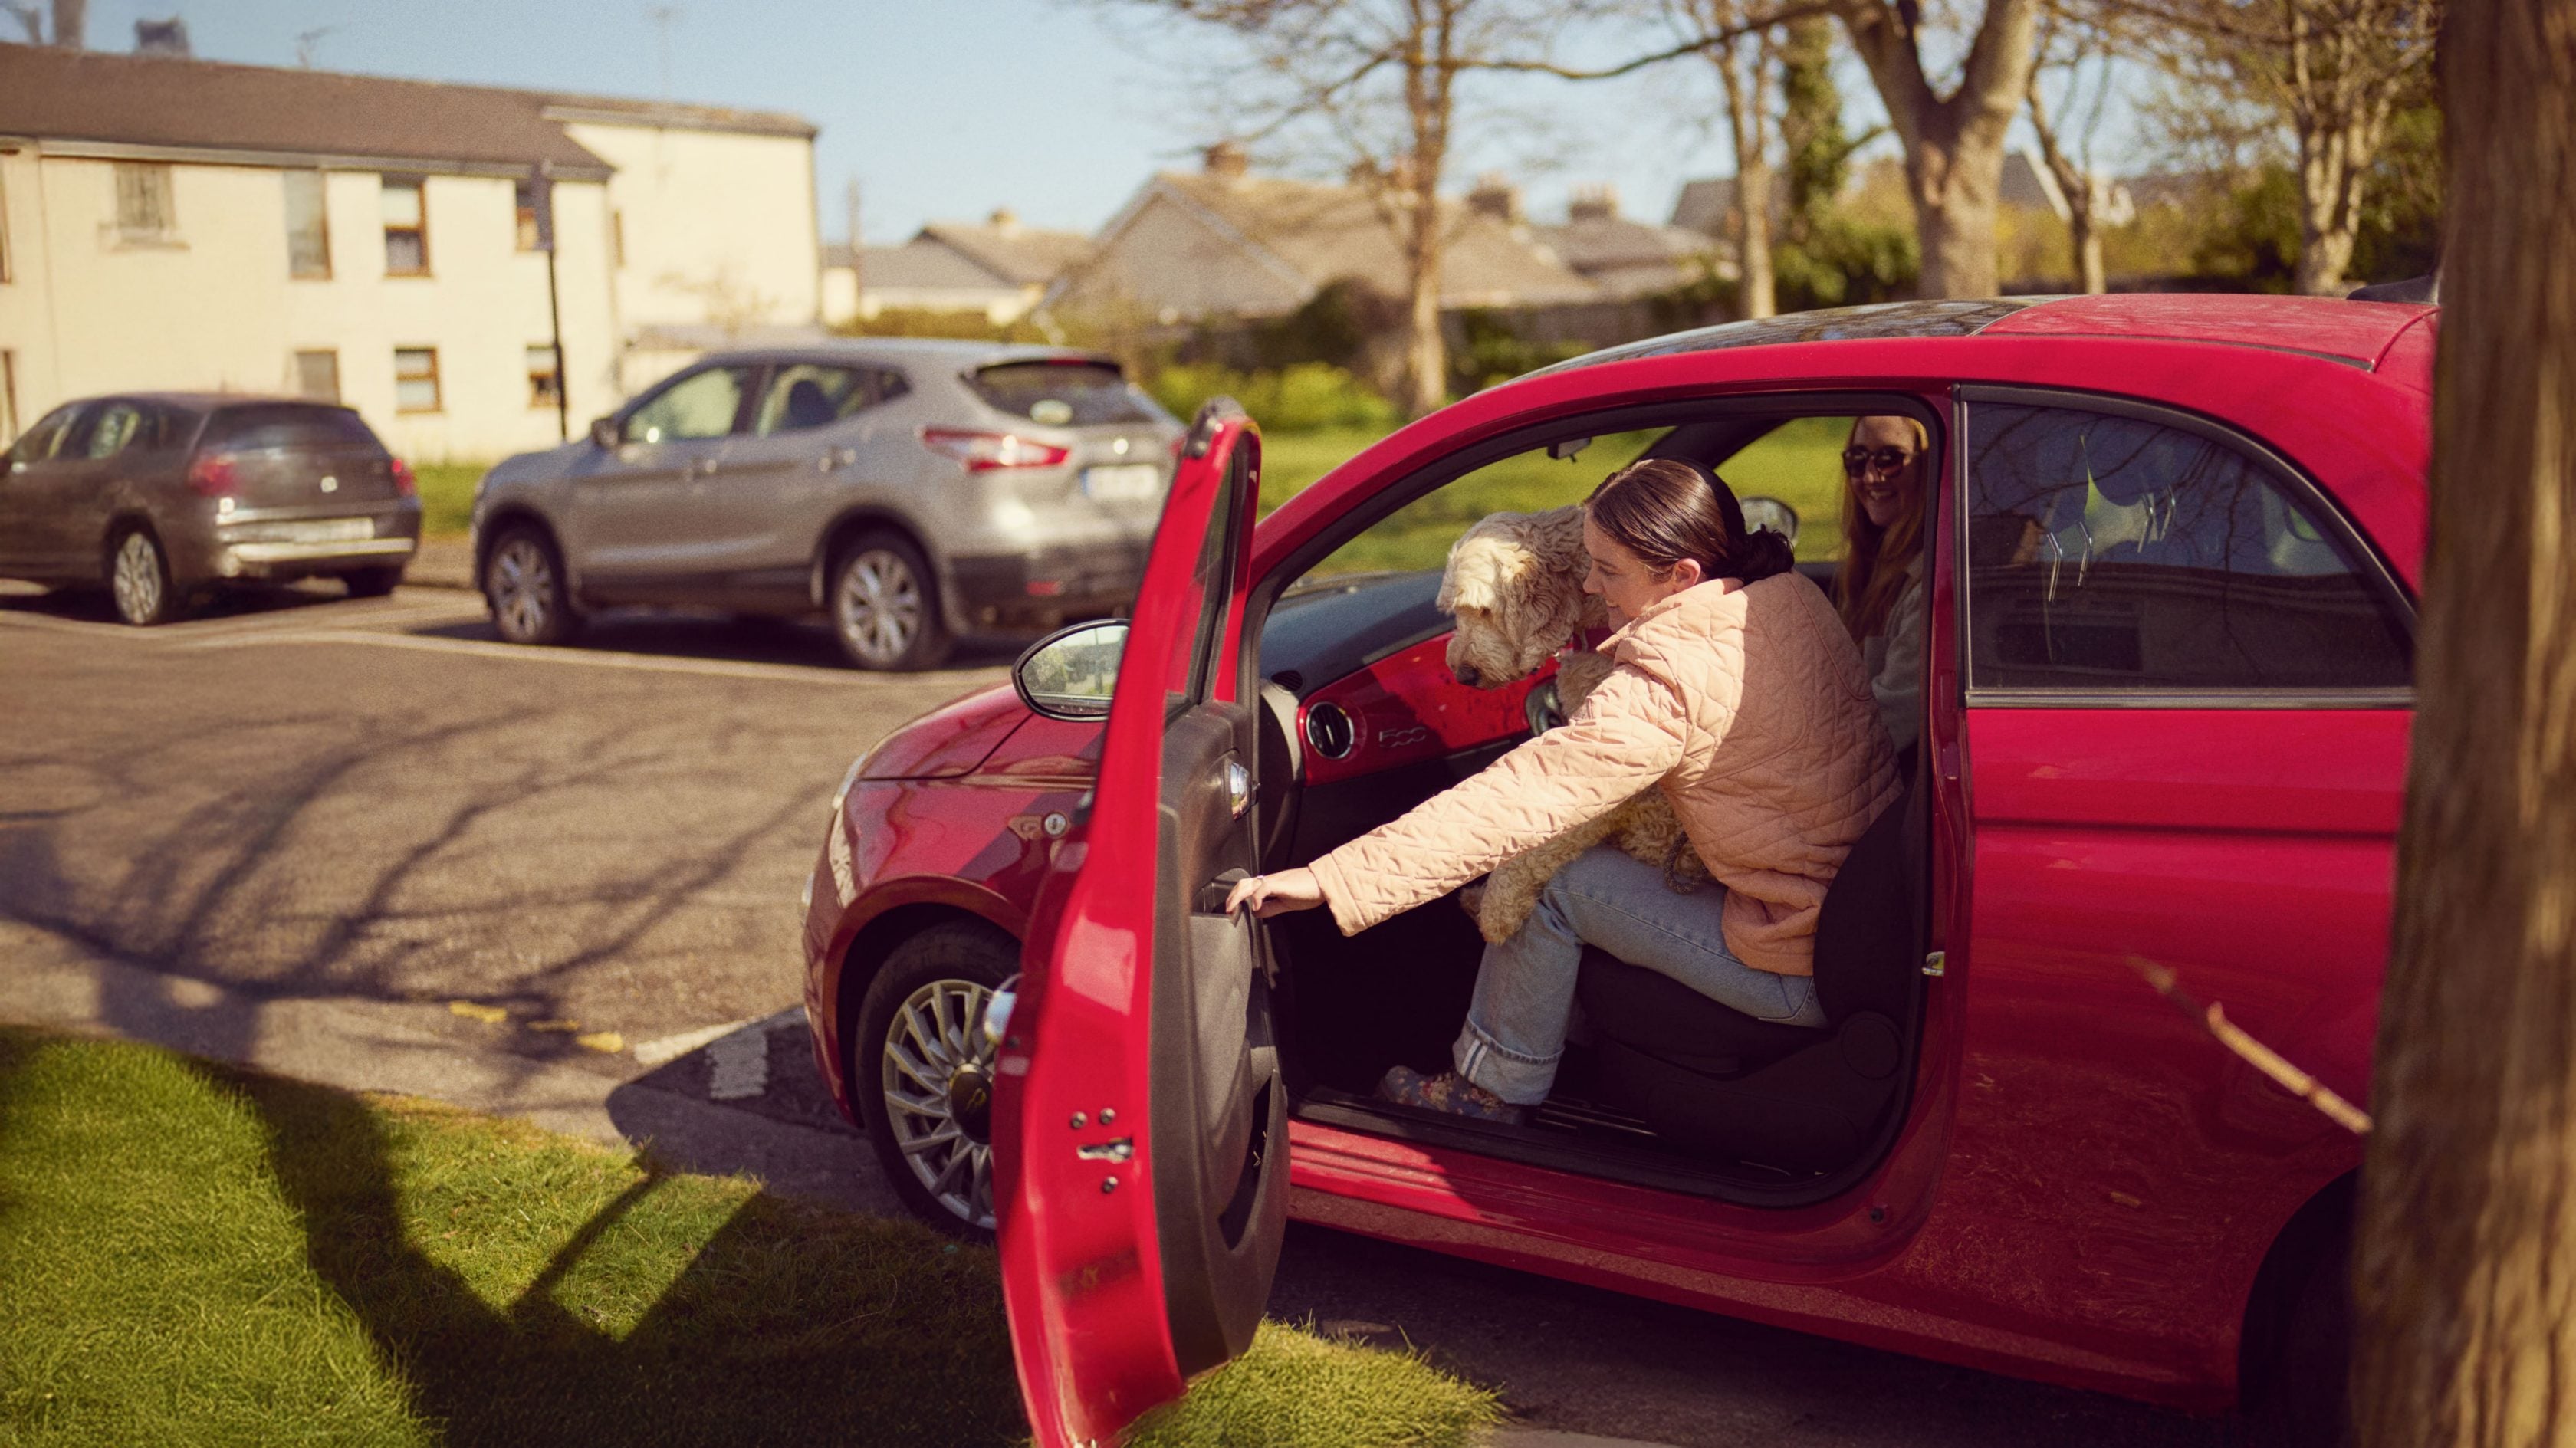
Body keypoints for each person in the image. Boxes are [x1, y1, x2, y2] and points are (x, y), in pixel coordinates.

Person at [1227, 458, 1900, 1123]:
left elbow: (1521, 798)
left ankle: (1490, 1087)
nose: (1589, 584)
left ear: (1683, 575)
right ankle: (1559, 1045)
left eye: (1609, 571)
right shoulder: (1788, 598)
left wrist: (1330, 879)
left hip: (1792, 956)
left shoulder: (1668, 683)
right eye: (1589, 562)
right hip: (1854, 919)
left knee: (1548, 879)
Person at [1835, 415, 1930, 757]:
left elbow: (1885, 724)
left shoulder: (1930, 589)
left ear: (1928, 466)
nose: (1871, 477)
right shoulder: (1877, 566)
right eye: (1857, 460)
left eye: (1889, 459)